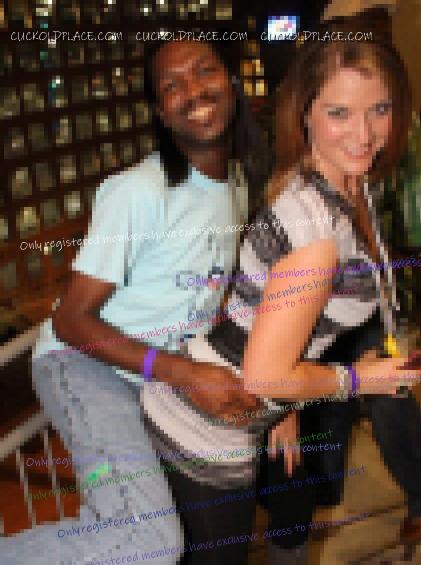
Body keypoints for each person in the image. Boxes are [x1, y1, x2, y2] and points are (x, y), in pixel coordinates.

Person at [146, 21, 421, 565]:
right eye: (339, 113)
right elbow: (264, 376)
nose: (363, 133)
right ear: (305, 113)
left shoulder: (352, 184)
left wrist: (288, 405)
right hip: (203, 428)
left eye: (380, 109)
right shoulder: (318, 234)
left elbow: (271, 321)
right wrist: (356, 379)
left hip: (244, 411)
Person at [0, 39, 268, 565]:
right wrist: (182, 373)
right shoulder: (138, 191)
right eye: (172, 85)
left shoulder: (238, 183)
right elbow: (72, 320)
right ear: (161, 113)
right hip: (83, 366)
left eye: (204, 71)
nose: (193, 91)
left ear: (232, 83)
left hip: (150, 372)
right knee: (147, 540)